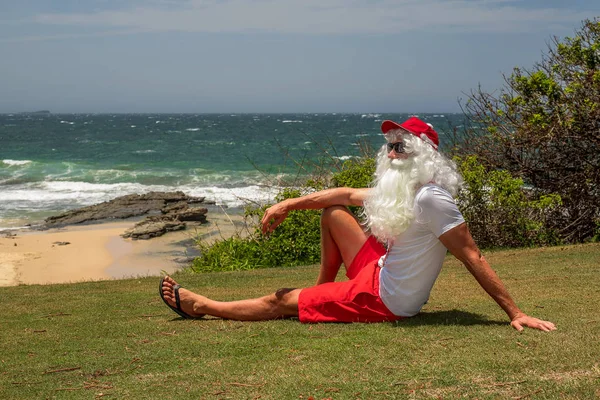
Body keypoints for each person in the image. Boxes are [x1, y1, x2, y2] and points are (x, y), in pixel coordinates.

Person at [160, 117, 556, 332]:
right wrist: (288, 203)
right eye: (390, 146)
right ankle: (321, 293)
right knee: (333, 214)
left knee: (281, 299)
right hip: (378, 272)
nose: (392, 152)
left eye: (401, 146)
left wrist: (514, 312)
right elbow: (345, 194)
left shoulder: (431, 198)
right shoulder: (404, 190)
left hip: (386, 301)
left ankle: (203, 306)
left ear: (423, 155)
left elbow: (472, 254)